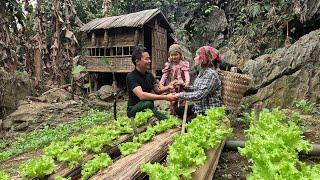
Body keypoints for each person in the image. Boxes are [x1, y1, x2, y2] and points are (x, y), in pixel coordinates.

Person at [126, 47, 176, 120]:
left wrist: (169, 86)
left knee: (166, 119)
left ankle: (151, 113)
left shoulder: (149, 75)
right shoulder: (131, 76)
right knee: (148, 103)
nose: (149, 61)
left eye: (149, 58)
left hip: (148, 107)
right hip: (133, 109)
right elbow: (142, 95)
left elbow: (158, 91)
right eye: (146, 59)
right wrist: (166, 97)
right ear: (137, 61)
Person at [174, 45, 222, 119]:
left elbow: (199, 95)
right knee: (178, 110)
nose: (194, 58)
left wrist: (180, 95)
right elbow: (197, 89)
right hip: (199, 107)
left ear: (202, 59)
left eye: (196, 56)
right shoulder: (202, 72)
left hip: (207, 110)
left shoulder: (211, 74)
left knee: (188, 124)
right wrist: (184, 86)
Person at [160, 44, 190, 115]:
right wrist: (161, 83)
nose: (173, 57)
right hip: (173, 86)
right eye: (172, 55)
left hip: (182, 85)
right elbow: (165, 75)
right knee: (173, 100)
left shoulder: (183, 63)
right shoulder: (169, 64)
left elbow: (186, 73)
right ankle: (173, 114)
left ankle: (182, 114)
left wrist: (187, 82)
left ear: (180, 54)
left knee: (182, 100)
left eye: (176, 55)